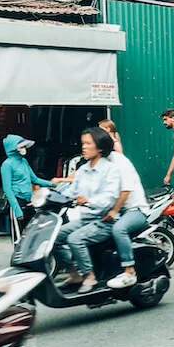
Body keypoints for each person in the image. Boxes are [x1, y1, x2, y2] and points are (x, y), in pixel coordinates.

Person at [54, 126, 122, 294]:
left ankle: (90, 276)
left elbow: (110, 198)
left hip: (105, 221)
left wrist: (89, 201)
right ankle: (73, 272)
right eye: (83, 143)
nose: (83, 147)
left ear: (100, 147)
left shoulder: (110, 170)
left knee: (75, 239)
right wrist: (49, 196)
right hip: (85, 220)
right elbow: (71, 192)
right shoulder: (83, 169)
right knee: (53, 237)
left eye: (88, 144)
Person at [97, 119, 151, 292]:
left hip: (134, 210)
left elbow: (124, 190)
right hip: (118, 209)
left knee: (118, 229)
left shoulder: (118, 160)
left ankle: (129, 271)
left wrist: (112, 210)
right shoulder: (99, 164)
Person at [0, 134, 56, 232]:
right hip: (18, 201)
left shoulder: (24, 161)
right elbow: (7, 189)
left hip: (29, 200)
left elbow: (35, 179)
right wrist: (17, 210)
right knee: (20, 234)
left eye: (24, 146)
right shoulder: (7, 165)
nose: (24, 148)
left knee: (32, 232)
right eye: (21, 147)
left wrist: (53, 184)